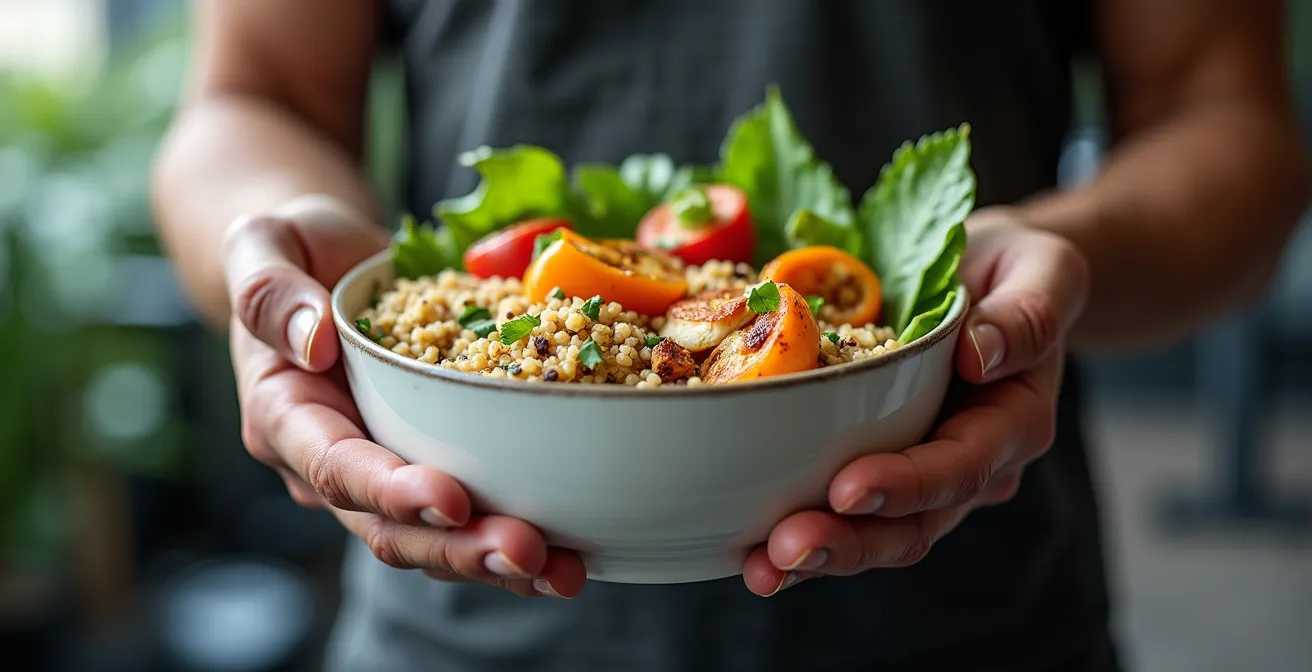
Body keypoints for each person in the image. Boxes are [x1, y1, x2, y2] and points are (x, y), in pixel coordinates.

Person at [150, 1, 1309, 670]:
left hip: (974, 612)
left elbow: (1230, 122)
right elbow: (254, 98)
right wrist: (281, 270)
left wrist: (1058, 263)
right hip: (456, 602)